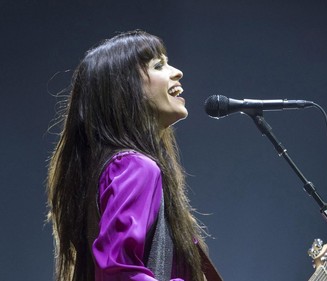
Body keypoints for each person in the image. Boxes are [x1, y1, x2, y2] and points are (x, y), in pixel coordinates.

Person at [46, 30, 211, 281]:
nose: (177, 72)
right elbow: (118, 270)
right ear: (126, 89)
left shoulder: (112, 167)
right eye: (159, 65)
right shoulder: (135, 167)